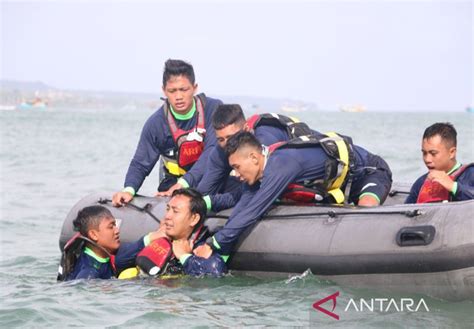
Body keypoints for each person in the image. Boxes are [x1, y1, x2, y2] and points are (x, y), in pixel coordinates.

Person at [195, 131, 392, 257]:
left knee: (365, 210)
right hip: (342, 187)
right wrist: (218, 246)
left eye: (237, 167)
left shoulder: (281, 165)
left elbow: (254, 210)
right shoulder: (259, 173)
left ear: (254, 157)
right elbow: (242, 207)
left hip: (369, 172)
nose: (236, 175)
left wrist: (214, 244)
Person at [112, 59, 222, 206]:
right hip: (172, 185)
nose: (178, 96)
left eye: (184, 89)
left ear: (195, 88)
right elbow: (140, 163)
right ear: (164, 90)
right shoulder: (156, 123)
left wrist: (184, 184)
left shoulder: (214, 109)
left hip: (209, 182)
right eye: (172, 91)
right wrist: (129, 190)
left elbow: (212, 152)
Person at [196, 104, 317, 212]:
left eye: (231, 136)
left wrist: (213, 202)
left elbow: (250, 193)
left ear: (246, 129)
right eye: (221, 139)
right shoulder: (220, 150)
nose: (228, 143)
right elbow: (204, 190)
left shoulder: (264, 143)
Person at [136, 188, 227, 276]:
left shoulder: (201, 248)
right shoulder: (158, 238)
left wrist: (185, 257)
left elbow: (217, 270)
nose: (167, 216)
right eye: (168, 209)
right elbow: (121, 259)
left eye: (175, 211)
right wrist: (147, 239)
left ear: (194, 219)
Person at [59, 205, 163, 281]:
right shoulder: (89, 273)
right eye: (111, 226)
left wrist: (153, 236)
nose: (117, 230)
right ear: (94, 235)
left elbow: (128, 250)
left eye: (115, 224)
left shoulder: (103, 255)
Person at [405, 122, 473, 203]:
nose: (427, 159)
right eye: (424, 153)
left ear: (452, 152)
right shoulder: (421, 182)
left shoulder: (471, 174)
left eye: (433, 153)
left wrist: (453, 187)